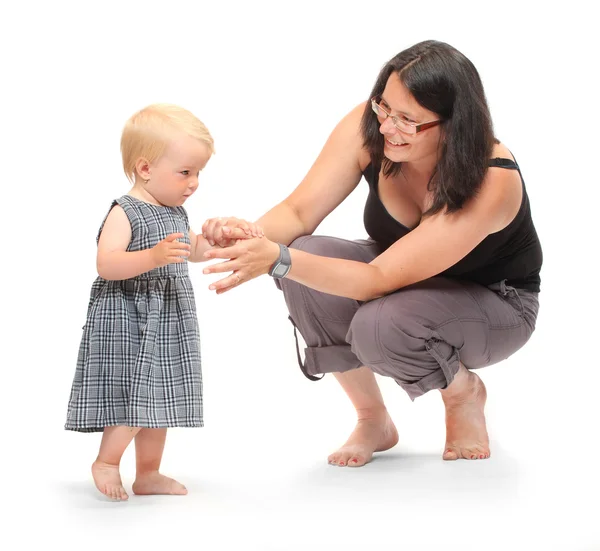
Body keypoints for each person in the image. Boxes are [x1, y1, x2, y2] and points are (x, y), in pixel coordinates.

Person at [201, 40, 543, 467]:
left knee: (375, 322)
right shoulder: (372, 125)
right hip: (405, 281)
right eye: (385, 107)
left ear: (454, 125)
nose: (387, 127)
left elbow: (378, 280)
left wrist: (276, 259)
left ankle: (461, 392)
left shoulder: (491, 178)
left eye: (407, 119)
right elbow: (298, 211)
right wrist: (223, 241)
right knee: (307, 256)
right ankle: (372, 418)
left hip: (496, 303)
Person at [64, 103, 259, 500]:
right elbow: (106, 263)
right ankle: (106, 460)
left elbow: (193, 250)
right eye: (185, 172)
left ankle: (148, 473)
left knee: (161, 395)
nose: (194, 182)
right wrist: (150, 257)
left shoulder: (173, 211)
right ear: (146, 168)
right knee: (136, 393)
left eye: (198, 172)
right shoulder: (126, 210)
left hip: (167, 316)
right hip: (128, 316)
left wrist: (220, 239)